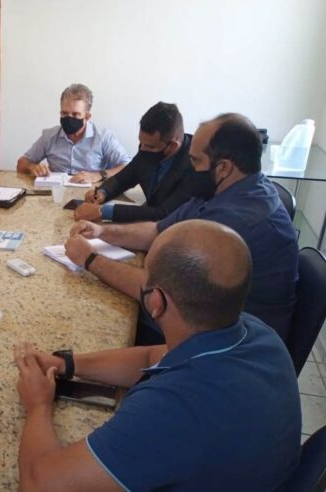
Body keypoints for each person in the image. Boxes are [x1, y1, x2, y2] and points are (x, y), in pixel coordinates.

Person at [15, 220, 301, 491]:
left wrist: (38, 405)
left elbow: (39, 484)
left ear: (156, 301)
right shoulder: (256, 333)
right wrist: (67, 363)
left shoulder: (176, 407)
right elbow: (151, 357)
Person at [65, 113, 298, 340]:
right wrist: (102, 232)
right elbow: (158, 230)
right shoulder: (219, 190)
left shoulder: (234, 222)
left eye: (195, 161)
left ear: (223, 168)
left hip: (230, 343)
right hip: (201, 317)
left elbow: (158, 292)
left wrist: (90, 259)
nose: (189, 167)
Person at [74, 102, 194, 223]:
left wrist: (103, 211)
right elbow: (122, 179)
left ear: (173, 146)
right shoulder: (147, 149)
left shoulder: (195, 165)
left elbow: (163, 213)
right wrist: (102, 192)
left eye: (149, 147)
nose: (142, 149)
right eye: (141, 143)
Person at [17, 83, 130, 184]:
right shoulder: (49, 136)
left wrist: (98, 175)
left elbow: (127, 166)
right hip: (57, 192)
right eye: (64, 113)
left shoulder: (103, 136)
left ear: (87, 116)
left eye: (75, 114)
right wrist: (32, 167)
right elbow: (21, 163)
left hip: (92, 194)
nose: (69, 118)